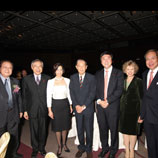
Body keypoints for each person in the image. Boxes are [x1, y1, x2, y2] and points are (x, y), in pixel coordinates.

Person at [95, 51, 124, 158]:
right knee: (102, 129)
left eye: (108, 58)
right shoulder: (97, 74)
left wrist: (107, 101)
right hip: (100, 107)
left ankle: (113, 150)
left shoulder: (119, 73)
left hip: (112, 106)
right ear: (101, 61)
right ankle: (104, 148)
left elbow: (119, 90)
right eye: (103, 59)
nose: (106, 60)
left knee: (113, 130)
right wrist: (99, 101)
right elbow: (95, 90)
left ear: (111, 60)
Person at [22, 59, 50, 158]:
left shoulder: (47, 78)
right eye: (35, 66)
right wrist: (25, 110)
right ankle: (34, 149)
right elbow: (24, 96)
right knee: (33, 130)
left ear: (42, 68)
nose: (38, 68)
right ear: (32, 67)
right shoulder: (26, 79)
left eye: (40, 66)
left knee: (43, 130)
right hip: (32, 109)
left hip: (43, 109)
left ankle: (41, 148)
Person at [69, 59, 96, 158]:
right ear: (76, 67)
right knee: (79, 129)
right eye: (79, 66)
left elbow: (92, 94)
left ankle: (89, 149)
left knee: (89, 130)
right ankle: (81, 148)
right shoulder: (72, 77)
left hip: (88, 108)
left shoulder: (92, 77)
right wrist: (76, 105)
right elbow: (72, 92)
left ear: (86, 67)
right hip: (77, 108)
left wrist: (83, 106)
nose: (81, 67)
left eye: (83, 65)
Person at [46, 63, 72, 157]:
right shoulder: (50, 81)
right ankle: (59, 146)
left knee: (65, 126)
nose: (59, 71)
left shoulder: (67, 80)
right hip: (55, 105)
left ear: (63, 70)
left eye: (61, 69)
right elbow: (48, 96)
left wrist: (70, 105)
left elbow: (69, 94)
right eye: (57, 69)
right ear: (54, 71)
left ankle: (64, 144)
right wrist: (49, 110)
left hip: (65, 104)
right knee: (57, 127)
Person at [119, 60, 143, 158]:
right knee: (125, 132)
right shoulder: (122, 81)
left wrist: (141, 114)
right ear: (125, 70)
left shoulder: (139, 81)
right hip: (123, 111)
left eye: (132, 69)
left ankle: (132, 150)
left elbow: (142, 99)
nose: (130, 71)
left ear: (135, 70)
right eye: (128, 69)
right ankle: (127, 150)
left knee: (133, 132)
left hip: (134, 112)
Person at [0, 60, 23, 158]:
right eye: (5, 67)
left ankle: (12, 153)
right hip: (1, 114)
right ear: (0, 68)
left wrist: (21, 110)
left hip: (13, 113)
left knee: (13, 135)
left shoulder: (15, 81)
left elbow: (18, 97)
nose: (7, 69)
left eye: (10, 68)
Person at [139, 49, 158, 158]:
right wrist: (142, 114)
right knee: (151, 144)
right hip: (148, 117)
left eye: (153, 58)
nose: (150, 61)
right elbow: (144, 97)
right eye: (147, 59)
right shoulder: (145, 74)